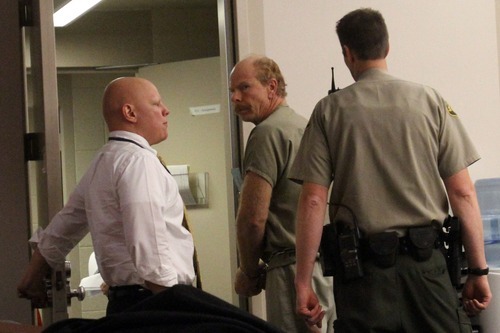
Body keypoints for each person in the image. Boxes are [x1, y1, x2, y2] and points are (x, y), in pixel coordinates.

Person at [291, 8, 492, 333]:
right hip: (428, 272)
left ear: (347, 53)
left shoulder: (329, 111)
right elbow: (463, 193)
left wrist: (303, 282)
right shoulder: (431, 101)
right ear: (387, 47)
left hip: (362, 279)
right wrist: (479, 272)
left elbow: (313, 200)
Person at [17, 77, 196, 315]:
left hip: (126, 303)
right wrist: (180, 311)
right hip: (155, 302)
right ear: (130, 113)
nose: (166, 110)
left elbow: (65, 225)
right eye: (156, 104)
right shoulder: (138, 162)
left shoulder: (104, 162)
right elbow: (149, 248)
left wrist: (32, 276)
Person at [230, 55, 335, 333]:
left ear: (272, 87)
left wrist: (249, 271)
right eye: (232, 91)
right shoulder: (306, 126)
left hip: (291, 268)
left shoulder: (266, 134)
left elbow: (252, 218)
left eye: (244, 88)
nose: (235, 98)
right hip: (327, 269)